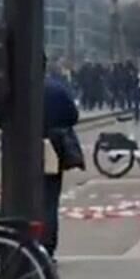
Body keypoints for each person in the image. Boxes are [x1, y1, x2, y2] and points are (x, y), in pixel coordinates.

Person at [42, 68, 83, 255]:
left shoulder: (17, 89)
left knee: (19, 198)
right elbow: (73, 116)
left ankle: (20, 245)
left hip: (19, 152)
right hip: (52, 148)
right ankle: (47, 247)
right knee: (50, 199)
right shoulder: (57, 89)